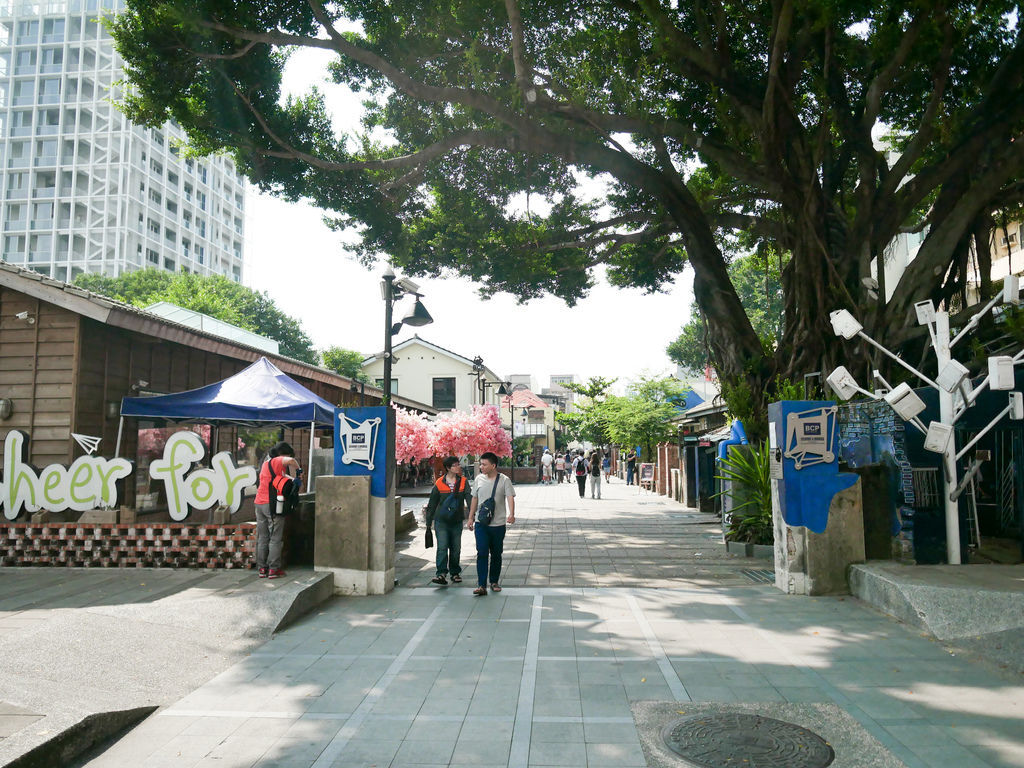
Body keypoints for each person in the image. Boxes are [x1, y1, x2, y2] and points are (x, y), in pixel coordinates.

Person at [468, 451, 516, 595]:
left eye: (484, 464)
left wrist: (511, 514)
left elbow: (510, 497)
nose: (481, 467)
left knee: (496, 553)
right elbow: (474, 499)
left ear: (493, 465)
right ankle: (481, 584)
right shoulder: (478, 479)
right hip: (481, 523)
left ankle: (494, 581)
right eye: (481, 464)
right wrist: (470, 518)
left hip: (498, 524)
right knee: (481, 552)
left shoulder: (504, 480)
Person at [254, 441, 299, 579]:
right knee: (275, 538)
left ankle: (262, 568)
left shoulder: (266, 464)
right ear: (282, 453)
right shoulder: (277, 460)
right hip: (272, 505)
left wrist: (291, 478)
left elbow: (277, 478)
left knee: (263, 538)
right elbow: (291, 461)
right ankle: (273, 569)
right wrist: (298, 473)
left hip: (259, 503)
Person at [424, 456, 471, 585]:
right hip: (441, 521)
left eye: (458, 465)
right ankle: (441, 574)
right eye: (455, 465)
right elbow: (432, 504)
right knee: (442, 547)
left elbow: (469, 499)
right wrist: (428, 524)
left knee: (456, 548)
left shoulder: (463, 482)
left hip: (456, 521)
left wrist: (472, 517)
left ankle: (455, 573)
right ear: (448, 468)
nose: (458, 467)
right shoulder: (439, 483)